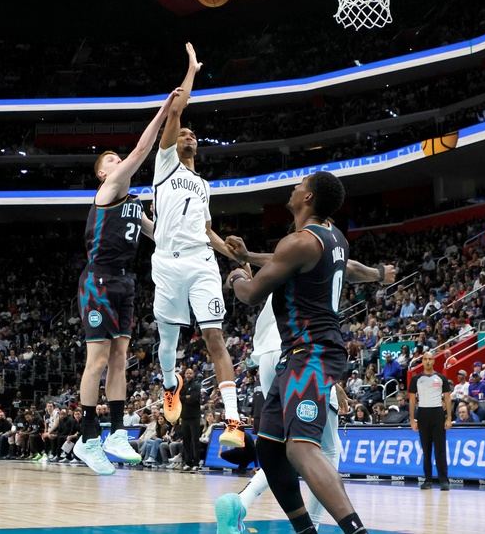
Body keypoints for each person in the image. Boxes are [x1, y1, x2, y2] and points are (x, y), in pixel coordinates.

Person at [214, 231, 394, 534]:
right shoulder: (310, 259)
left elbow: (270, 266)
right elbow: (348, 270)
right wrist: (378, 273)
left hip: (275, 358)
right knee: (323, 448)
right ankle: (321, 525)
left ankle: (243, 502)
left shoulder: (284, 265)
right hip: (303, 354)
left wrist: (244, 261)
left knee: (275, 446)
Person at [73, 88, 182, 475]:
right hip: (98, 281)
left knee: (120, 358)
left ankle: (116, 431)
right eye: (111, 160)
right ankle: (87, 438)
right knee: (98, 359)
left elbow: (160, 236)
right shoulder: (108, 190)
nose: (119, 161)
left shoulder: (133, 202)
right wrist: (166, 111)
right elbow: (140, 152)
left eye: (118, 158)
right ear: (104, 173)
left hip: (124, 283)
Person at [150, 42, 250, 448]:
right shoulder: (164, 164)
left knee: (215, 338)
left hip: (202, 262)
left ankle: (232, 421)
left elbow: (209, 231)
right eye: (183, 132)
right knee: (168, 338)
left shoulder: (204, 185)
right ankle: (169, 383)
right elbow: (175, 111)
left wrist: (237, 256)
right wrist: (191, 71)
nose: (188, 134)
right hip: (167, 264)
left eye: (193, 134)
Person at [408, 351, 453, 490]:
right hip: (423, 414)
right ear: (422, 361)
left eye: (430, 359)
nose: (427, 361)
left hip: (437, 413)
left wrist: (449, 418)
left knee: (440, 450)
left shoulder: (441, 378)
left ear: (434, 361)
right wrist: (412, 420)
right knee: (426, 450)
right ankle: (428, 480)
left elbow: (447, 398)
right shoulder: (416, 379)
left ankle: (443, 480)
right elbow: (412, 400)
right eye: (425, 359)